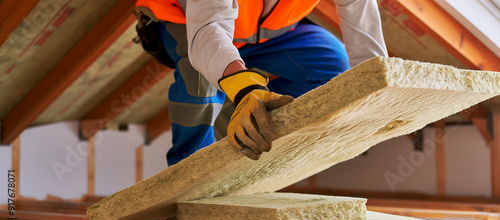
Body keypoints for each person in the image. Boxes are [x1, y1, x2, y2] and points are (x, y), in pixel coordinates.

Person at [134, 0, 388, 166]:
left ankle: (245, 124)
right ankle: (190, 167)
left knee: (336, 71)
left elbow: (361, 16)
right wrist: (244, 88)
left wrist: (374, 86)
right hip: (190, 25)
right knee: (199, 76)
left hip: (272, 35)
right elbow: (208, 33)